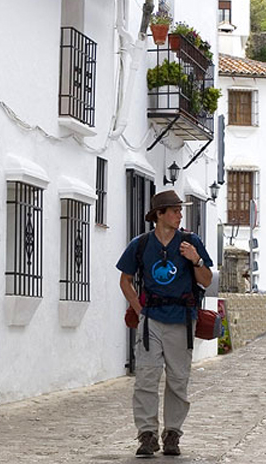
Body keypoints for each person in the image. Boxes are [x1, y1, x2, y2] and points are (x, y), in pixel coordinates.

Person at [116, 190, 213, 457]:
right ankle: (146, 435)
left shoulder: (190, 242)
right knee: (146, 378)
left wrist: (196, 259)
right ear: (160, 214)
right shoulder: (142, 244)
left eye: (181, 210)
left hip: (182, 320)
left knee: (178, 380)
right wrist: (140, 310)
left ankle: (172, 434)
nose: (180, 214)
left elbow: (205, 280)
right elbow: (125, 280)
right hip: (152, 321)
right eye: (175, 210)